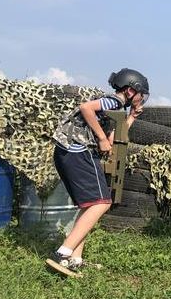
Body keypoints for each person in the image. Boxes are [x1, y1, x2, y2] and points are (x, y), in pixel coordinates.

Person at [45, 68, 149, 277]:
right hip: (77, 151)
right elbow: (86, 108)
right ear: (130, 90)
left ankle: (75, 259)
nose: (142, 98)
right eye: (141, 94)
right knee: (103, 202)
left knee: (91, 205)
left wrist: (131, 118)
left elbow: (111, 140)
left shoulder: (114, 108)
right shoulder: (114, 101)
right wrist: (101, 138)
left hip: (69, 153)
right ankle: (62, 253)